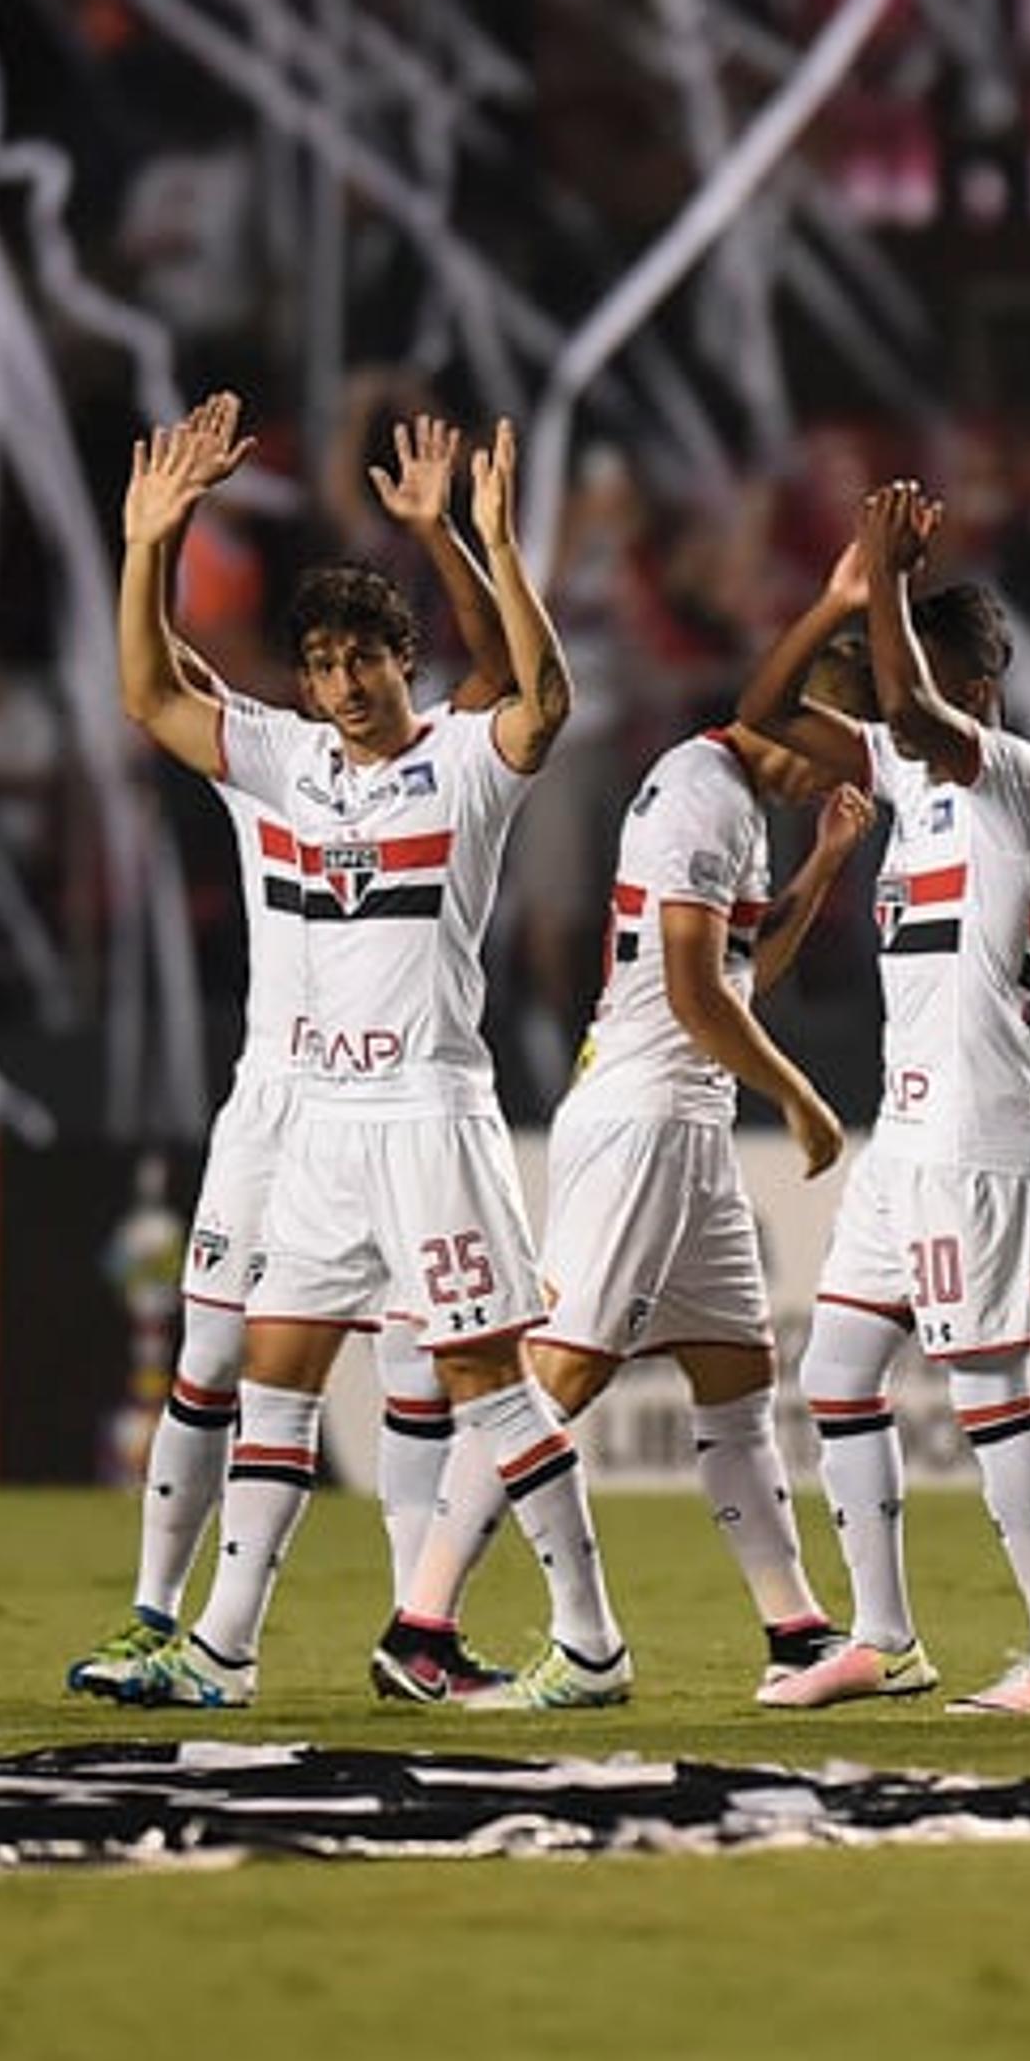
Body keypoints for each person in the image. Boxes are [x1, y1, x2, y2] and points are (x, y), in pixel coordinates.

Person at [77, 404, 633, 1711]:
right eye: (320, 663)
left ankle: (592, 1639)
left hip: (427, 1113)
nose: (340, 684)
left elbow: (544, 699)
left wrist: (484, 543)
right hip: (317, 1121)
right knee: (273, 1374)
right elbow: (151, 691)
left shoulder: (459, 761)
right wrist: (148, 545)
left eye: (361, 660)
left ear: (406, 659)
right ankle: (221, 1642)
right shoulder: (288, 760)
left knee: (486, 1383)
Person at [373, 666, 878, 1707]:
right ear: (819, 726)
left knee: (735, 1377)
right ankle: (419, 1627)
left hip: (684, 1117)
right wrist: (799, 1096)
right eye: (854, 737)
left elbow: (735, 970)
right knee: (554, 1373)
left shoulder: (736, 800)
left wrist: (826, 862)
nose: (860, 761)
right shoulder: (699, 792)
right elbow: (693, 994)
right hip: (645, 1118)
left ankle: (793, 1628)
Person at [737, 481, 1030, 1715]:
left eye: (928, 684)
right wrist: (845, 592)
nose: (895, 715)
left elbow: (903, 701)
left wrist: (892, 586)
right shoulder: (910, 786)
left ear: (979, 694)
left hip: (981, 1121)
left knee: (988, 1394)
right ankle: (885, 1637)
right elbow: (768, 711)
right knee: (838, 1372)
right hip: (906, 1129)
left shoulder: (1020, 780)